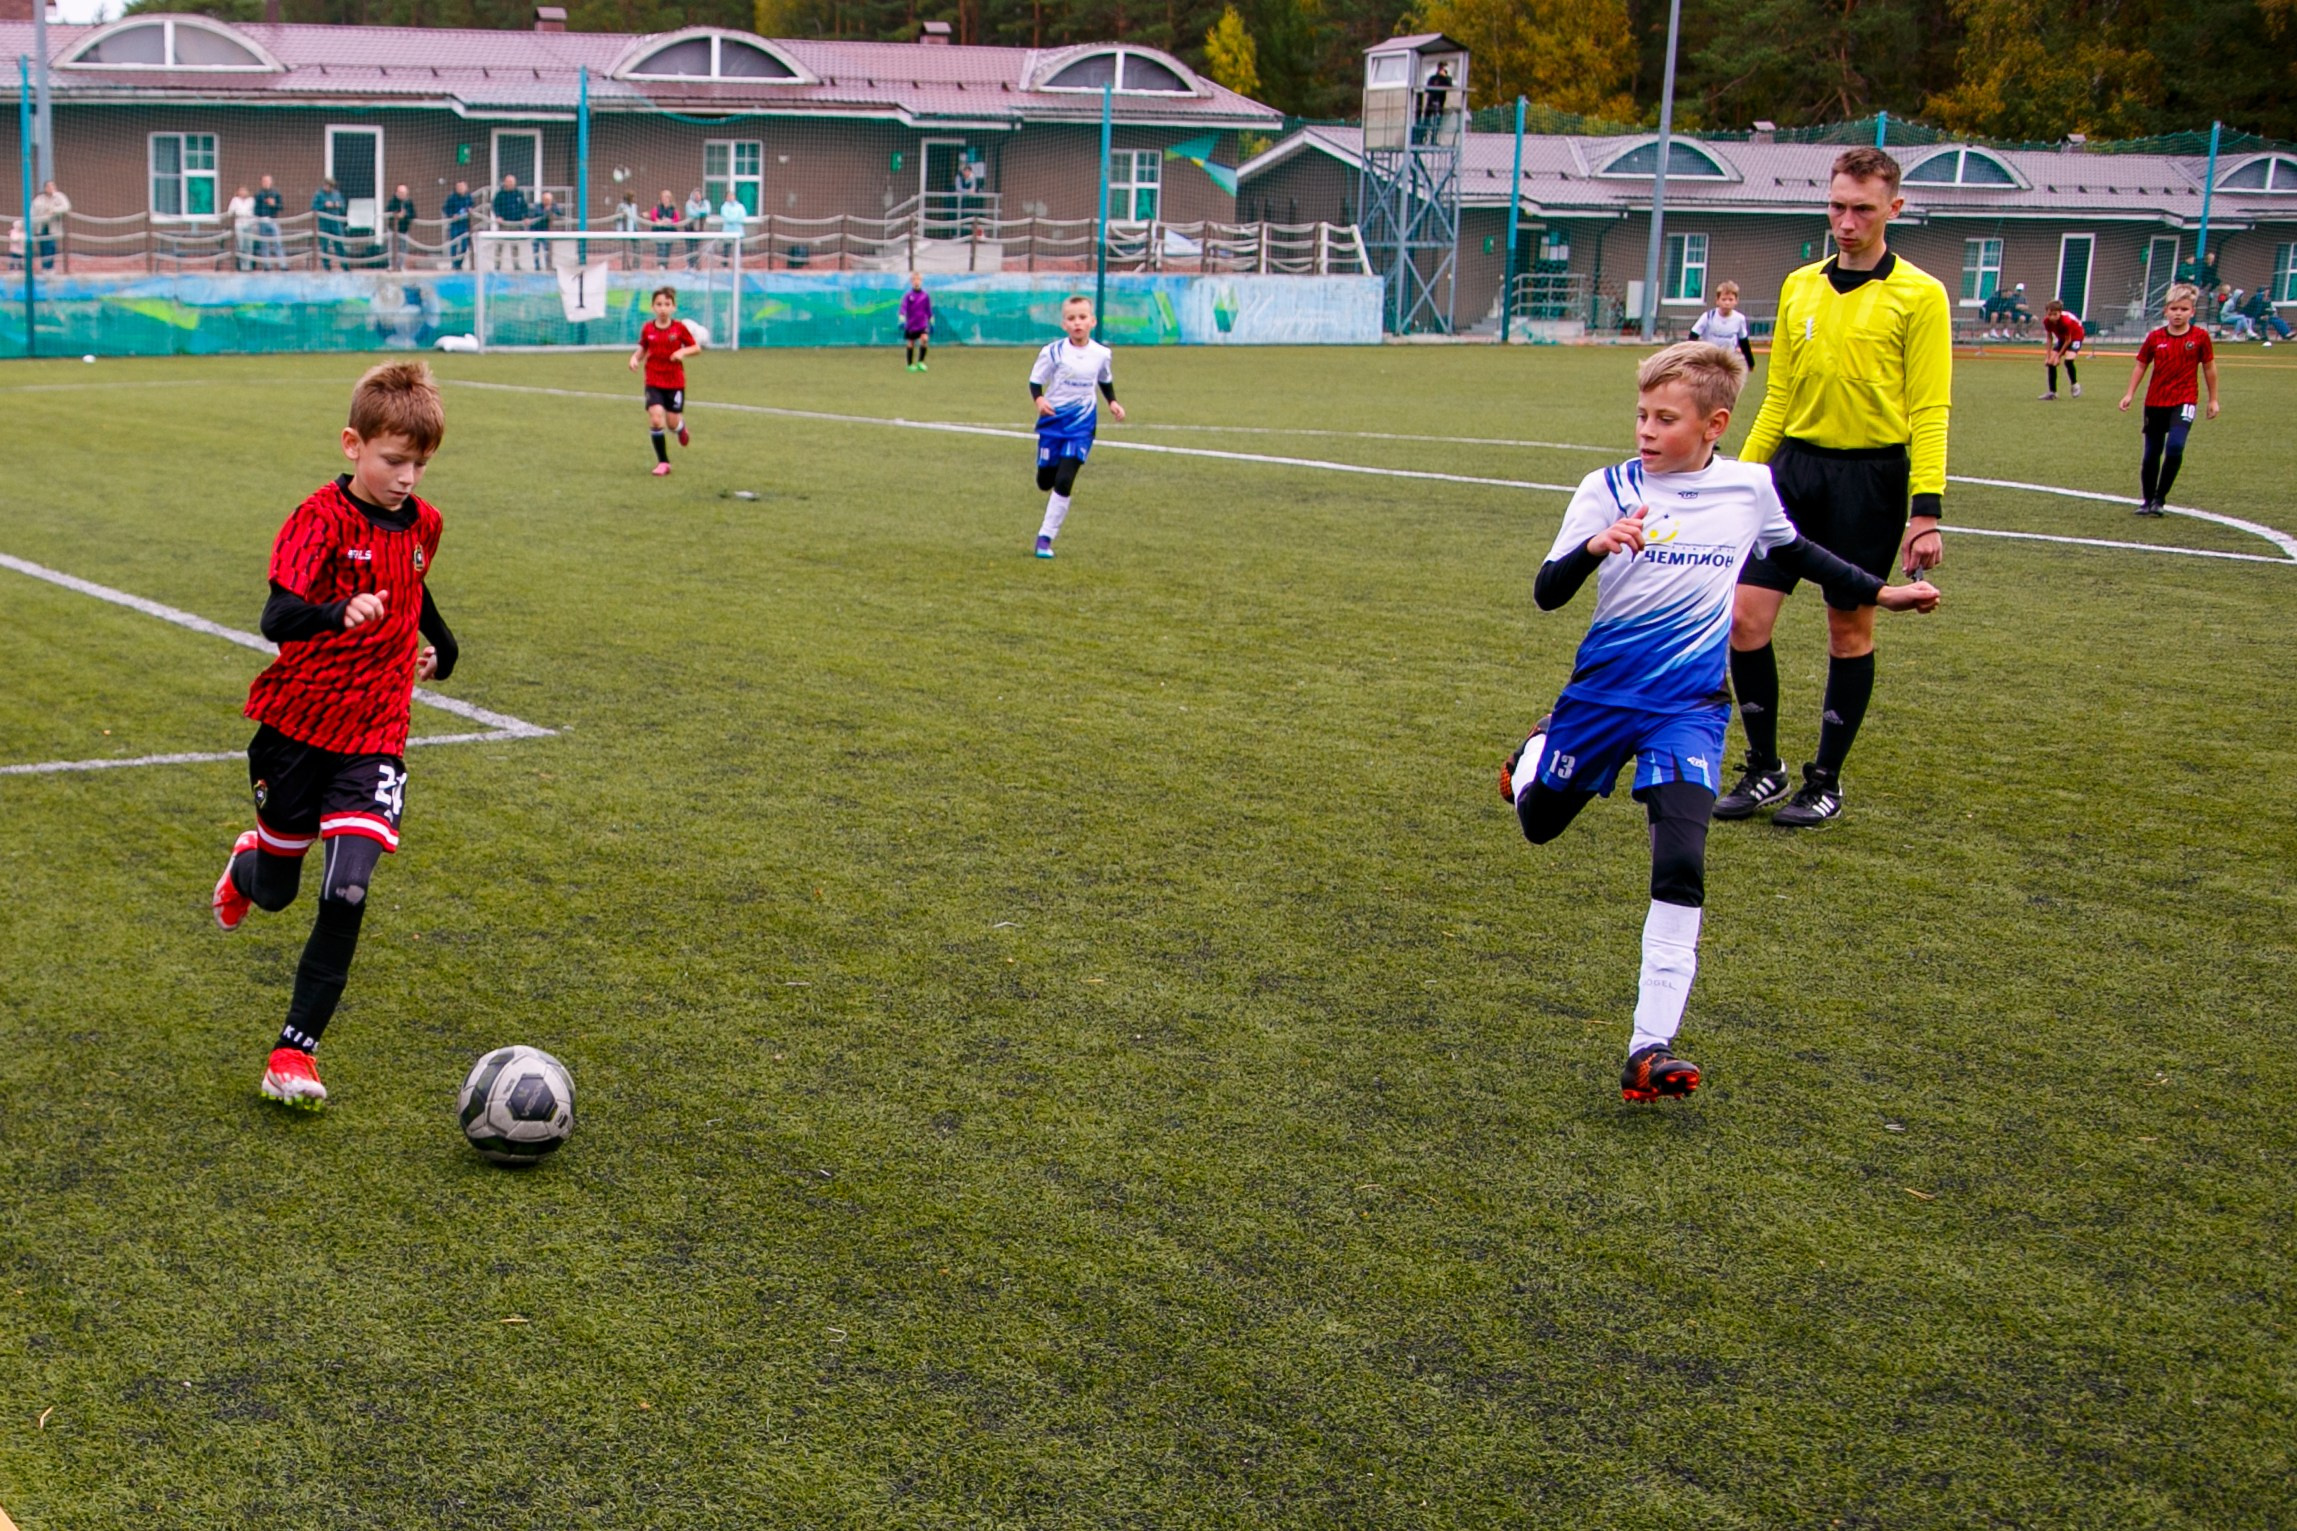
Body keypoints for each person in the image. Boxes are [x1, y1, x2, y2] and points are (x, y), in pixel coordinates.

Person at [1500, 342, 1939, 1102]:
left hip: (1690, 710)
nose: (1644, 429)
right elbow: (1546, 591)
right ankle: (1536, 750)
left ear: (1714, 424)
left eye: (1663, 418)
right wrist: (1595, 547)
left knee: (1680, 863)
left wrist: (1879, 592)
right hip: (1600, 703)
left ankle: (1648, 1047)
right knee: (1538, 822)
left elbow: (1794, 552)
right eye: (1640, 414)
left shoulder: (1748, 487)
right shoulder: (1606, 488)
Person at [209, 361, 459, 1110]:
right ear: (353, 444)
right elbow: (275, 618)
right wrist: (335, 611)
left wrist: (442, 648)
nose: (407, 476)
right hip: (295, 728)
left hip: (376, 730)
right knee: (280, 891)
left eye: (419, 461)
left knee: (346, 889)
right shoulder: (317, 518)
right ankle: (249, 861)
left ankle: (293, 1052)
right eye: (393, 460)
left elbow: (416, 586)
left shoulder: (426, 524)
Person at [1715, 146, 1951, 830]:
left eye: (1862, 210)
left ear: (1893, 210)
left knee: (1847, 629)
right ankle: (1764, 768)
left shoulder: (1920, 295)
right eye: (1837, 206)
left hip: (1871, 480)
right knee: (1744, 619)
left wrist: (1924, 512)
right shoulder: (1798, 286)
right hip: (1792, 473)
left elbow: (1930, 408)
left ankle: (1824, 780)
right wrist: (1737, 478)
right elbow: (1778, 394)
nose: (1846, 223)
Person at [1029, 295, 1125, 559]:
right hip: (1053, 423)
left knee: (1064, 480)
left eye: (1082, 317)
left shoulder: (1101, 354)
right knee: (1044, 481)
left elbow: (1104, 379)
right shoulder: (1053, 352)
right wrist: (1039, 400)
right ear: (1064, 324)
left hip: (1082, 425)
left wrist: (1113, 402)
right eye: (1071, 319)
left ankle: (1045, 538)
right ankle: (1047, 468)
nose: (1077, 323)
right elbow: (1036, 382)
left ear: (1092, 321)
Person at [2117, 283, 2219, 517]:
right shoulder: (2155, 338)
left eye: (2183, 309)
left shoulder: (2200, 337)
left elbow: (2209, 368)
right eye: (2174, 309)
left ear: (2192, 311)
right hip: (2155, 402)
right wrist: (2129, 393)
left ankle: (2160, 499)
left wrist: (2213, 399)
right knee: (2152, 453)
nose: (2178, 313)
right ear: (2165, 311)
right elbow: (2141, 365)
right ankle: (2147, 500)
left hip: (2185, 401)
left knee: (2175, 447)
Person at [628, 286, 701, 476]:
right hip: (653, 379)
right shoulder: (648, 328)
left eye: (667, 304)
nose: (662, 308)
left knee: (672, 422)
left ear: (673, 307)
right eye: (659, 304)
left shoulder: (679, 328)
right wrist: (635, 358)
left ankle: (680, 428)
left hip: (675, 382)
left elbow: (695, 347)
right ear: (653, 307)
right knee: (655, 418)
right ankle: (663, 462)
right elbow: (643, 348)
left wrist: (682, 351)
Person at [1690, 280, 1755, 372]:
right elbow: (1693, 336)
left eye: (1730, 299)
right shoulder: (1708, 316)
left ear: (1736, 301)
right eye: (1724, 299)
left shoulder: (1739, 319)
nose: (1727, 303)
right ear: (1717, 301)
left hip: (1728, 360)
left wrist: (1750, 363)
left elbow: (1744, 342)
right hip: (1710, 359)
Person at [2039, 298, 2084, 399]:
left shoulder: (2066, 321)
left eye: (2055, 314)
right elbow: (2049, 338)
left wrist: (2058, 356)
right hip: (2062, 338)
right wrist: (2048, 356)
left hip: (2075, 337)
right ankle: (2052, 392)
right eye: (2049, 314)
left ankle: (2075, 385)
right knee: (2051, 363)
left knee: (2068, 360)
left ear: (2060, 313)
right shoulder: (2047, 321)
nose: (2052, 317)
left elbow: (2068, 340)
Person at [491, 174, 529, 270]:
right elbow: (495, 206)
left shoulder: (518, 194)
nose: (510, 184)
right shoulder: (500, 194)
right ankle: (497, 264)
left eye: (512, 182)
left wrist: (526, 217)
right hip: (504, 223)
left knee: (515, 245)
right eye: (508, 182)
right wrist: (498, 216)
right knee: (500, 245)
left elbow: (524, 207)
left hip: (515, 223)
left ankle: (516, 264)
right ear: (505, 182)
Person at [30, 179, 68, 272]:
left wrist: (54, 210)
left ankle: (50, 267)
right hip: (41, 226)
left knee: (51, 246)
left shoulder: (59, 196)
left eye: (53, 186)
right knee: (43, 246)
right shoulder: (39, 198)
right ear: (45, 188)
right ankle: (44, 267)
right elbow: (32, 211)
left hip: (53, 227)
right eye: (49, 186)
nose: (51, 188)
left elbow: (66, 206)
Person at [900, 272, 933, 372]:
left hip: (922, 324)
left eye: (918, 279)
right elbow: (904, 307)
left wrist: (931, 319)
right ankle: (910, 364)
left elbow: (928, 309)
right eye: (914, 280)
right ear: (911, 282)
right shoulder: (908, 295)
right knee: (910, 343)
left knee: (924, 339)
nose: (916, 281)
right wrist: (901, 316)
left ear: (921, 281)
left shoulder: (925, 296)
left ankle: (920, 362)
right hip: (911, 324)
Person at [311, 178, 347, 271]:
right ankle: (326, 266)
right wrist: (324, 205)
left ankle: (345, 265)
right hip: (324, 223)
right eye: (327, 186)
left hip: (335, 223)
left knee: (339, 244)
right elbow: (313, 207)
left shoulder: (336, 194)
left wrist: (336, 205)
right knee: (324, 245)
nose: (328, 188)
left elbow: (343, 206)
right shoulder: (319, 195)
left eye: (331, 186)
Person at [252, 175, 285, 270]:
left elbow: (281, 207)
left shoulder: (276, 193)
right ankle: (266, 265)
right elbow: (255, 209)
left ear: (271, 182)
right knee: (264, 244)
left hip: (273, 219)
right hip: (262, 220)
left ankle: (283, 265)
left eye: (267, 181)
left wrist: (274, 204)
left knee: (278, 242)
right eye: (264, 181)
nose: (265, 183)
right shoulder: (258, 194)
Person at [442, 180, 474, 271]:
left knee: (464, 245)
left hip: (465, 224)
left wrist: (470, 210)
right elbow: (445, 208)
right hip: (455, 224)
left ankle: (459, 263)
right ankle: (454, 264)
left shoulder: (468, 197)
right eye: (459, 187)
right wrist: (452, 215)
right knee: (454, 244)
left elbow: (471, 205)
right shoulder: (452, 198)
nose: (460, 189)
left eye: (462, 187)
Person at [383, 184, 416, 270]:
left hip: (404, 229)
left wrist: (405, 215)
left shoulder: (409, 202)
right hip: (393, 229)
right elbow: (388, 211)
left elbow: (413, 214)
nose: (402, 195)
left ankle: (401, 265)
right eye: (401, 192)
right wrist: (396, 215)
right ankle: (391, 265)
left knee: (403, 248)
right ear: (397, 192)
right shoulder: (393, 201)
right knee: (391, 247)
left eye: (404, 193)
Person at [226, 184, 257, 271]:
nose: (243, 192)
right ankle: (241, 265)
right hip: (239, 225)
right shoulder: (235, 200)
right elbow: (230, 212)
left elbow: (253, 212)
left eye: (244, 190)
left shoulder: (251, 200)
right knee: (241, 245)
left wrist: (245, 214)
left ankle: (248, 266)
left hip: (249, 224)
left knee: (249, 246)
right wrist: (241, 214)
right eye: (241, 190)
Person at [649, 189, 681, 269]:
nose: (665, 199)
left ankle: (665, 265)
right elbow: (653, 217)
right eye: (663, 197)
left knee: (667, 248)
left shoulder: (673, 209)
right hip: (659, 231)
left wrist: (670, 221)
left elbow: (677, 219)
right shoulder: (657, 208)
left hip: (670, 232)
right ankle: (661, 264)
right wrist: (659, 221)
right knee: (661, 247)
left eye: (667, 197)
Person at [715, 192, 748, 268]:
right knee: (726, 249)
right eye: (729, 196)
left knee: (740, 249)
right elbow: (726, 218)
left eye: (732, 196)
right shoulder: (724, 207)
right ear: (726, 198)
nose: (730, 198)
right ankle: (725, 265)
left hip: (738, 231)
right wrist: (735, 219)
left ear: (734, 197)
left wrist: (734, 218)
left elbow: (742, 217)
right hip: (728, 231)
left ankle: (738, 265)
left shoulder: (740, 206)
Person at [682, 188, 711, 270]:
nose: (697, 196)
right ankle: (690, 264)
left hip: (700, 228)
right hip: (690, 228)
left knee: (698, 247)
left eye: (699, 194)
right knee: (690, 247)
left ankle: (697, 265)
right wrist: (700, 212)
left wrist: (698, 211)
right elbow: (691, 213)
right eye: (695, 195)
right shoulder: (689, 203)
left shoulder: (705, 203)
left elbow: (707, 211)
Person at [613, 191, 643, 268]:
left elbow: (635, 217)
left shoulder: (634, 206)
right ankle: (626, 264)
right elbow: (616, 217)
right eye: (632, 197)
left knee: (638, 246)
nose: (633, 199)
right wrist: (622, 215)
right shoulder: (621, 206)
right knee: (625, 248)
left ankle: (636, 265)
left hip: (633, 230)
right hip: (624, 230)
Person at [531, 189, 557, 268]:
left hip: (546, 231)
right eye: (546, 199)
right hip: (536, 230)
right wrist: (546, 211)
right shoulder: (537, 206)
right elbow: (537, 214)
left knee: (547, 249)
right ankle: (537, 266)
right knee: (536, 250)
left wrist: (552, 211)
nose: (547, 201)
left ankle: (548, 265)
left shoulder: (553, 206)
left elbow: (559, 212)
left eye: (549, 200)